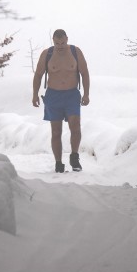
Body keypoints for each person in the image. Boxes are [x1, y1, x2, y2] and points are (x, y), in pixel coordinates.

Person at [32, 29, 90, 172]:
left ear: (67, 39)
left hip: (71, 96)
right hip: (53, 96)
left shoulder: (76, 52)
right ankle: (58, 163)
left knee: (75, 127)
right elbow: (38, 75)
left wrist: (86, 94)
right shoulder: (47, 54)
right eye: (57, 43)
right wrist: (34, 94)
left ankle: (74, 157)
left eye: (63, 42)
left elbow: (84, 73)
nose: (60, 45)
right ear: (53, 40)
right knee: (56, 131)